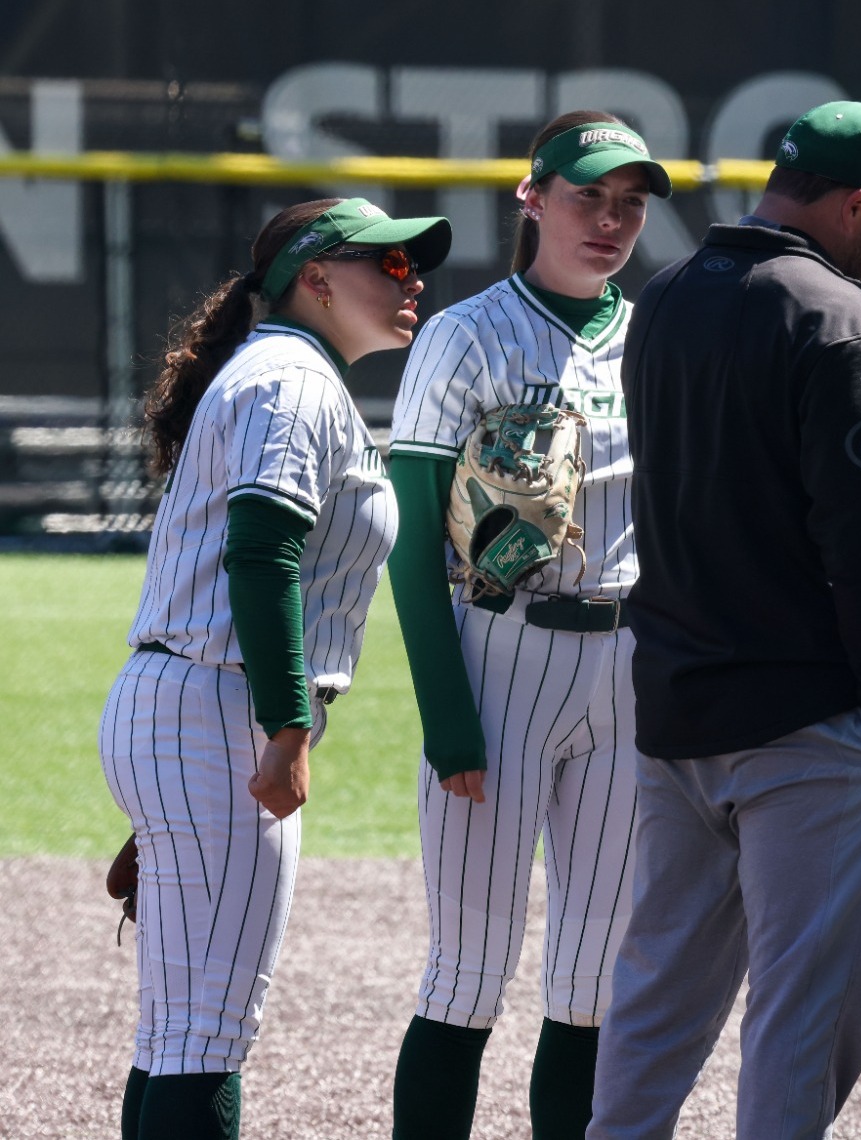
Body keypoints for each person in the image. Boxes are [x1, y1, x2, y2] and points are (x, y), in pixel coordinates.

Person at [586, 100, 861, 1140]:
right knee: (804, 1014)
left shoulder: (661, 296)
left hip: (680, 706)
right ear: (857, 202)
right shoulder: (839, 317)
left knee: (656, 1001)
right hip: (809, 724)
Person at [100, 197, 448, 1138]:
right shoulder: (292, 380)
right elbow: (262, 553)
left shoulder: (289, 374)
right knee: (207, 1036)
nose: (411, 279)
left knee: (179, 1034)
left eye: (416, 266)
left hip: (190, 705)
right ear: (317, 277)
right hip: (220, 709)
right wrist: (287, 727)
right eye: (391, 264)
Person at [383, 111, 671, 1140]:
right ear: (532, 197)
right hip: (499, 654)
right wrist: (446, 716)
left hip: (629, 665)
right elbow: (412, 539)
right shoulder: (468, 334)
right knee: (466, 972)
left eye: (629, 204)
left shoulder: (657, 334)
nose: (609, 221)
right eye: (588, 196)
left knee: (594, 980)